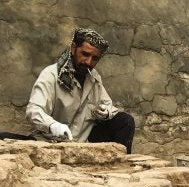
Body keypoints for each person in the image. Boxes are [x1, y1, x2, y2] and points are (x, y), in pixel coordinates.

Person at [0, 27, 135, 153]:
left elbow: (109, 107)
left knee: (125, 121)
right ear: (73, 48)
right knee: (2, 138)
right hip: (49, 143)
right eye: (85, 54)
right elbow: (33, 111)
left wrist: (106, 112)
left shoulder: (94, 78)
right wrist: (52, 125)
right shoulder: (51, 75)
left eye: (95, 58)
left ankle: (118, 166)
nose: (88, 62)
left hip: (83, 144)